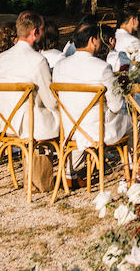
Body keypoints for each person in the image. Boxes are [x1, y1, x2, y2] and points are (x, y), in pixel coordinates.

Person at [52, 20, 128, 172]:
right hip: (96, 130)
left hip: (68, 128)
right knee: (130, 119)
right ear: (92, 41)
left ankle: (71, 170)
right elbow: (116, 105)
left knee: (85, 116)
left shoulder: (59, 66)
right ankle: (132, 169)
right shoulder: (102, 67)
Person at [0, 11, 60, 141]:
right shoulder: (37, 60)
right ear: (35, 32)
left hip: (4, 121)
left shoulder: (1, 58)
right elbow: (51, 102)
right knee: (68, 117)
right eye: (41, 29)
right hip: (29, 124)